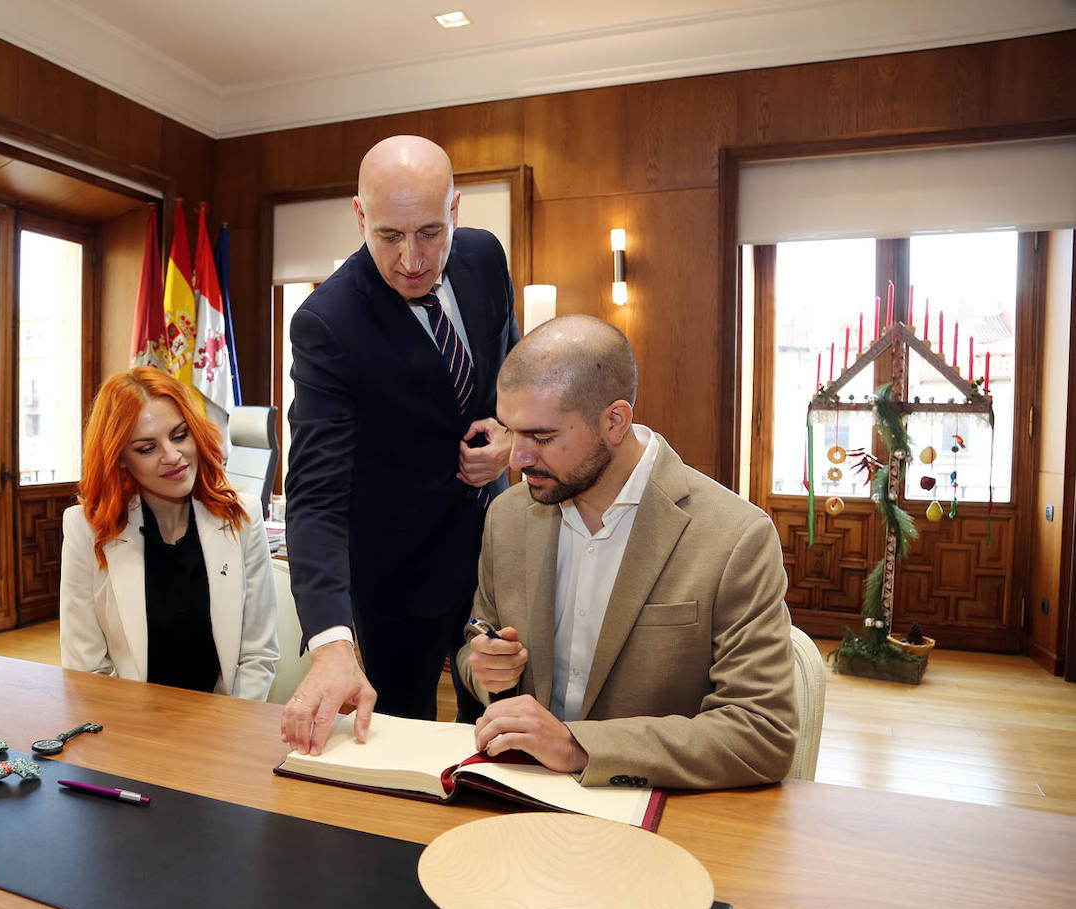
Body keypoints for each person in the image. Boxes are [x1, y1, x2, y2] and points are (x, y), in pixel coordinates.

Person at [459, 315, 798, 789]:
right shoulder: (508, 517)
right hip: (521, 798)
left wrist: (579, 747)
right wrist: (487, 670)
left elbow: (763, 732)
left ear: (615, 421)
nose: (516, 459)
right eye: (512, 433)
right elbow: (478, 643)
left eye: (542, 438)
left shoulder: (735, 536)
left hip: (662, 823)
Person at [280, 135, 519, 753]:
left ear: (456, 211)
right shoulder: (327, 323)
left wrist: (512, 437)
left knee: (501, 740)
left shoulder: (486, 258)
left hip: (495, 568)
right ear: (360, 216)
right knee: (394, 749)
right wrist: (332, 642)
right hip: (393, 585)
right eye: (389, 236)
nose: (412, 259)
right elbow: (315, 496)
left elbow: (515, 378)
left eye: (430, 233)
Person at [60, 366, 279, 700]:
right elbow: (86, 671)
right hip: (131, 732)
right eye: (147, 448)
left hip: (227, 727)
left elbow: (257, 657)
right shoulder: (85, 530)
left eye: (179, 435)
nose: (173, 456)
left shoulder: (243, 517)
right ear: (119, 459)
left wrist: (230, 735)